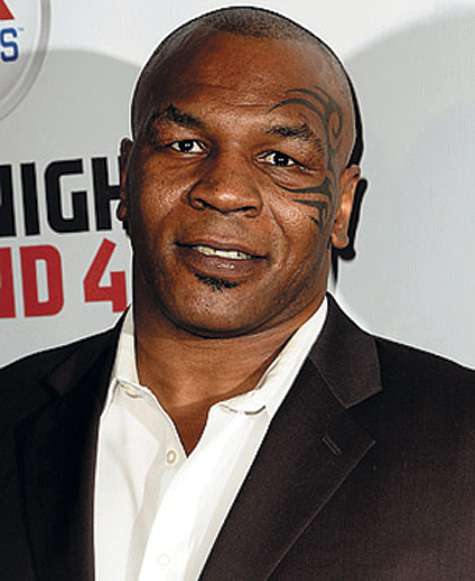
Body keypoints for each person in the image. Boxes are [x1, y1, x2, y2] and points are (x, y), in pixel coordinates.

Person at [1, 6, 475, 581]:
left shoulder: (460, 442)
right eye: (185, 145)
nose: (224, 191)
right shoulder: (11, 410)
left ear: (342, 207)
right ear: (126, 177)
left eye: (281, 159)